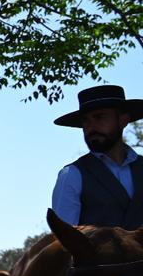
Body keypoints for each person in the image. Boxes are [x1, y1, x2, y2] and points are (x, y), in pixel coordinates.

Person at [51, 84, 143, 228]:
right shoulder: (72, 175)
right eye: (85, 121)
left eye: (99, 117)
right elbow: (64, 241)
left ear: (123, 120)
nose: (91, 127)